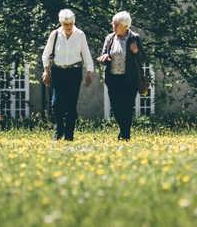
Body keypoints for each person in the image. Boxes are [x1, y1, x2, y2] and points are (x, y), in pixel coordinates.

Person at [42, 9, 94, 141]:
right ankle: (59, 130)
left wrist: (89, 72)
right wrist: (46, 70)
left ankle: (69, 135)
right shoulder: (54, 34)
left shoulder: (80, 34)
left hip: (74, 72)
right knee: (56, 104)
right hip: (58, 71)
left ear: (73, 22)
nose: (69, 27)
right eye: (66, 24)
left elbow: (86, 54)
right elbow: (46, 54)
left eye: (70, 23)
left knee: (71, 104)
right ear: (61, 23)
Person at [99, 11, 145, 141]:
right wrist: (104, 57)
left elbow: (143, 58)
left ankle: (125, 134)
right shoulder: (110, 38)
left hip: (130, 79)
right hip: (113, 78)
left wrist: (136, 52)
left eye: (116, 24)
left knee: (127, 106)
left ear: (125, 26)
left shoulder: (134, 38)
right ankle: (123, 130)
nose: (113, 26)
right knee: (116, 106)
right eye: (113, 23)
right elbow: (103, 54)